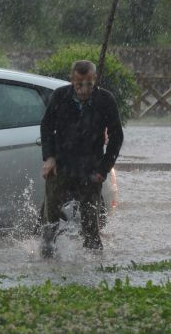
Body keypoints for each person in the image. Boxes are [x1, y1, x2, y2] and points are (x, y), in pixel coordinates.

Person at [39, 60, 123, 258]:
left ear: (95, 80)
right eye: (79, 84)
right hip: (61, 165)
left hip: (91, 169)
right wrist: (49, 158)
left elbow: (116, 137)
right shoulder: (60, 96)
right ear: (72, 81)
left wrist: (103, 169)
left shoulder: (105, 100)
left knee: (90, 224)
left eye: (88, 84)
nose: (84, 89)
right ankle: (47, 258)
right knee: (50, 219)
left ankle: (93, 263)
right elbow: (46, 127)